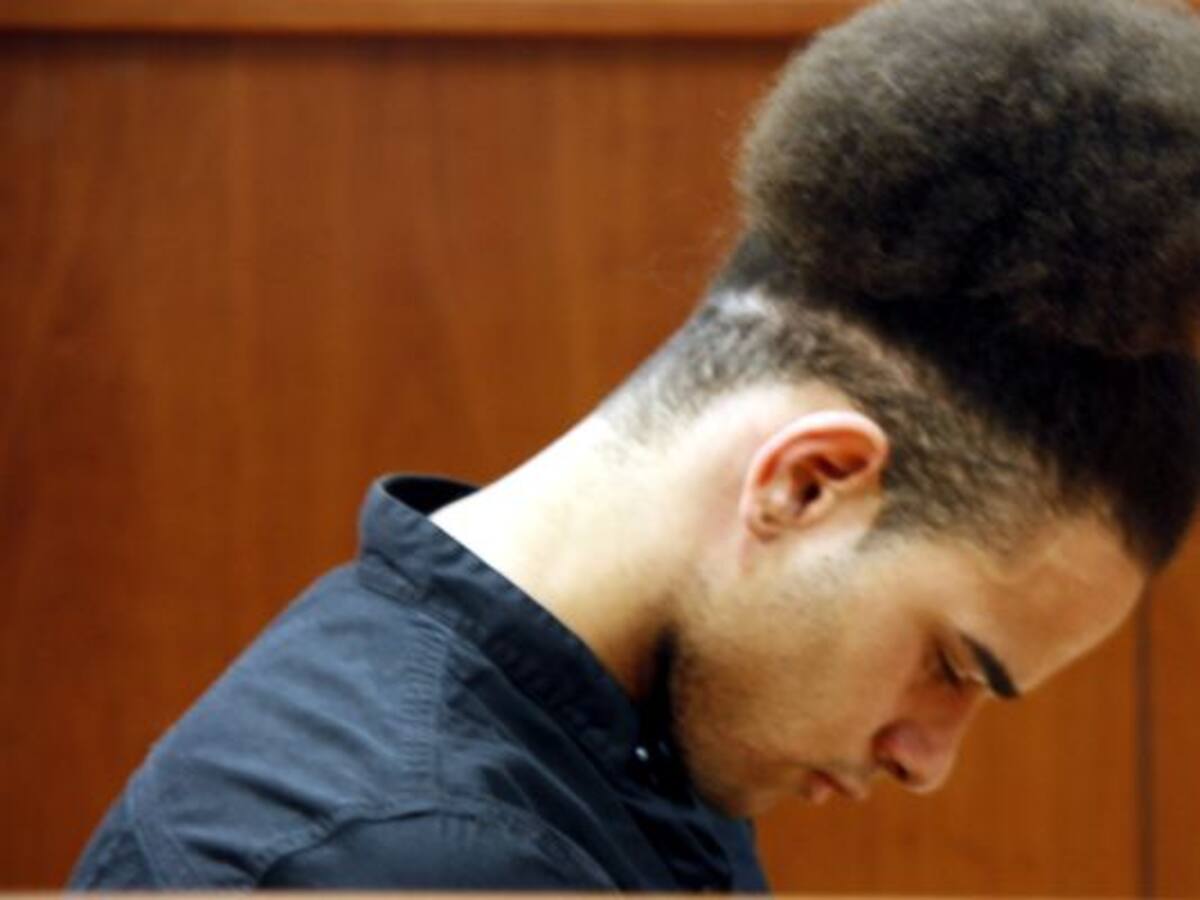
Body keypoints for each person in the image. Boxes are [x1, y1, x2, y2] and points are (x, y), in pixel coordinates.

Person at [71, 0, 1200, 890]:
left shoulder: (630, 737)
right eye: (949, 664)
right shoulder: (412, 856)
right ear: (808, 485)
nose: (926, 758)